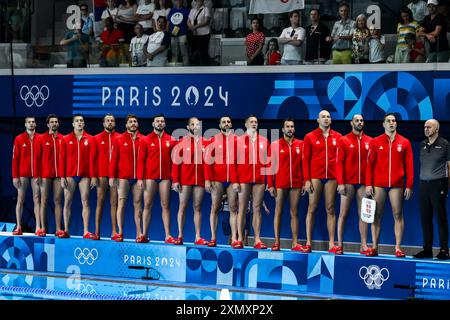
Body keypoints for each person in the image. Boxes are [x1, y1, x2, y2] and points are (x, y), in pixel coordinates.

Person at [365, 113, 414, 258]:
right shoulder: (375, 142)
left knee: (398, 214)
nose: (391, 123)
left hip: (396, 184)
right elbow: (369, 165)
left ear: (396, 124)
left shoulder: (404, 142)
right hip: (379, 184)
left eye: (393, 121)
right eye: (388, 121)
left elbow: (409, 166)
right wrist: (368, 184)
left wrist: (409, 185)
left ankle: (398, 247)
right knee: (376, 216)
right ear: (383, 124)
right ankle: (374, 247)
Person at [302, 110, 342, 253]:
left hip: (331, 177)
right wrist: (306, 180)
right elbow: (305, 160)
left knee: (330, 209)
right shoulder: (310, 137)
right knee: (312, 208)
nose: (326, 119)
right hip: (315, 176)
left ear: (331, 120)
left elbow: (340, 161)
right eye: (323, 117)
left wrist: (340, 180)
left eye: (328, 116)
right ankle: (308, 242)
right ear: (317, 120)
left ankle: (331, 243)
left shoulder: (338, 137)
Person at [137, 114, 177, 243]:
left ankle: (168, 235)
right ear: (153, 124)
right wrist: (139, 178)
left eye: (162, 121)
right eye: (157, 121)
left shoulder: (171, 140)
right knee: (147, 204)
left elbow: (175, 162)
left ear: (164, 124)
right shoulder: (146, 140)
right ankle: (144, 234)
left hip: (165, 177)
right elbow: (141, 160)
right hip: (150, 177)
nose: (160, 123)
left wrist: (174, 179)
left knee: (166, 205)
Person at [335, 115, 372, 255]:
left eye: (362, 120)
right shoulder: (343, 140)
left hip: (363, 184)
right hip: (348, 183)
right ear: (351, 123)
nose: (359, 122)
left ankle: (363, 245)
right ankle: (340, 244)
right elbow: (338, 163)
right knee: (343, 213)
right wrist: (340, 183)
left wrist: (369, 183)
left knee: (363, 215)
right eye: (357, 120)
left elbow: (371, 165)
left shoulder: (370, 141)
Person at [413, 119, 450, 260]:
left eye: (429, 127)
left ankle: (444, 250)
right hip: (424, 185)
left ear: (436, 129)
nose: (426, 129)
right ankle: (427, 250)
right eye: (425, 127)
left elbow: (449, 167)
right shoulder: (422, 144)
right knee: (425, 218)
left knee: (440, 218)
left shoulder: (445, 144)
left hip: (438, 184)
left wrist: (446, 187)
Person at [171, 117, 210, 245]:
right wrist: (175, 180)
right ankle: (180, 235)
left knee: (197, 207)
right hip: (185, 179)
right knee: (182, 206)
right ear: (188, 127)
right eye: (193, 124)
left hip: (200, 180)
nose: (195, 126)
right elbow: (176, 163)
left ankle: (198, 237)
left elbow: (208, 163)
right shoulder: (181, 142)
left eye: (197, 124)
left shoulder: (205, 142)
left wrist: (208, 180)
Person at [268, 119, 304, 251]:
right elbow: (270, 166)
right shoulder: (275, 145)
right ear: (282, 129)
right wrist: (270, 184)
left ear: (294, 129)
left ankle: (295, 243)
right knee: (278, 211)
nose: (290, 128)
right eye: (287, 126)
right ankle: (276, 241)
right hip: (280, 183)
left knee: (294, 212)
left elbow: (304, 165)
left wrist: (304, 182)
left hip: (296, 183)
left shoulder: (301, 144)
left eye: (292, 126)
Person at [235, 115, 270, 249]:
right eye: (251, 122)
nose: (254, 124)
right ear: (246, 124)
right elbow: (233, 163)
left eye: (256, 122)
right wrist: (235, 181)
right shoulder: (238, 141)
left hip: (259, 180)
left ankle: (257, 239)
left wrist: (267, 179)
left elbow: (268, 162)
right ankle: (239, 238)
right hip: (243, 179)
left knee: (257, 209)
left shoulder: (264, 141)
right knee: (242, 208)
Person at [59, 115, 97, 239]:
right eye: (77, 121)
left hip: (85, 175)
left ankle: (86, 230)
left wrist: (94, 176)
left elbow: (93, 160)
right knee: (67, 202)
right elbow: (62, 159)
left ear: (84, 124)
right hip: (69, 174)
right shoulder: (65, 139)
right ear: (73, 124)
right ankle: (66, 230)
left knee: (85, 201)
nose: (80, 123)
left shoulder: (90, 139)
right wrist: (62, 176)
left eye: (81, 121)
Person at [204, 116, 238, 247]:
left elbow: (239, 162)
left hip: (232, 180)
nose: (226, 123)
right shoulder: (213, 140)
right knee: (215, 207)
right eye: (224, 122)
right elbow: (207, 161)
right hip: (217, 179)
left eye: (228, 121)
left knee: (233, 208)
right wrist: (207, 180)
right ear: (220, 125)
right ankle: (213, 237)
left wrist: (237, 180)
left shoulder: (236, 140)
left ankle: (234, 238)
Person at [109, 114, 144, 242]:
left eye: (135, 121)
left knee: (138, 206)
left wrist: (141, 177)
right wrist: (112, 176)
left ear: (137, 124)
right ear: (126, 125)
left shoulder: (143, 140)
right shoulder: (118, 139)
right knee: (121, 204)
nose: (133, 123)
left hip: (138, 179)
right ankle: (120, 232)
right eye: (130, 122)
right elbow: (114, 160)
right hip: (123, 177)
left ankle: (139, 234)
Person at [35, 115, 64, 238]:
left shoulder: (63, 138)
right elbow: (36, 158)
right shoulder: (41, 138)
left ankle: (58, 228)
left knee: (58, 201)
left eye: (56, 122)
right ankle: (42, 228)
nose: (54, 124)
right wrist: (38, 175)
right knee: (44, 201)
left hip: (58, 175)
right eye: (52, 122)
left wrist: (64, 175)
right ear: (48, 124)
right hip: (45, 175)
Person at [92, 114, 120, 240]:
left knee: (114, 203)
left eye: (112, 121)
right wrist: (93, 176)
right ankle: (97, 231)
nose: (110, 122)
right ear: (103, 123)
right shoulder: (96, 138)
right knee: (100, 202)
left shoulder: (119, 138)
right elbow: (92, 159)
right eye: (107, 121)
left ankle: (114, 232)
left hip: (115, 176)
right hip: (101, 176)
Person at [11, 117, 41, 236]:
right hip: (22, 174)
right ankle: (18, 226)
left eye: (33, 122)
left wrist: (40, 174)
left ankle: (38, 227)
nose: (31, 124)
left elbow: (42, 158)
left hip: (36, 175)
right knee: (20, 199)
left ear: (35, 124)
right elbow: (15, 159)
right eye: (29, 122)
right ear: (25, 124)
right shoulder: (19, 139)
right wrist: (15, 176)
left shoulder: (40, 138)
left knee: (37, 199)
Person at [187, 0, 211, 66]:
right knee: (194, 52)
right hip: (194, 35)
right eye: (197, 1)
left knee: (203, 52)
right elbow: (188, 21)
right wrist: (191, 27)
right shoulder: (192, 10)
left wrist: (195, 27)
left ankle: (204, 67)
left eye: (200, 0)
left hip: (204, 34)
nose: (198, 2)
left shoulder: (205, 9)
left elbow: (206, 21)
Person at [168, 0, 190, 65]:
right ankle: (174, 69)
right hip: (173, 34)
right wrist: (169, 31)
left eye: (180, 0)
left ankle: (186, 68)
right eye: (177, 0)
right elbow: (168, 22)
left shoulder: (187, 10)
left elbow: (189, 21)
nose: (179, 1)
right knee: (174, 53)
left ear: (183, 1)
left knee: (184, 53)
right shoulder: (172, 10)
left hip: (183, 34)